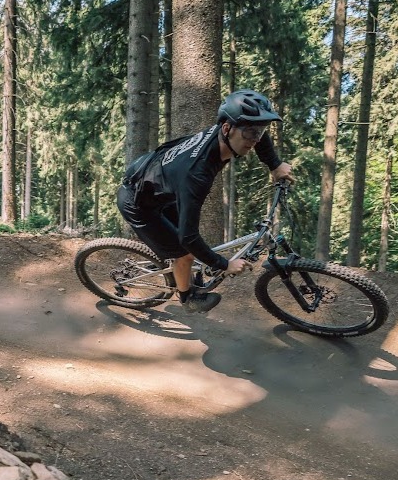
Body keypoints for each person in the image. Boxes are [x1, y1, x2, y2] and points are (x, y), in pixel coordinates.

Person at [117, 89, 294, 313]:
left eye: (259, 133)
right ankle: (187, 297)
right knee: (185, 251)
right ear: (228, 129)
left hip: (158, 184)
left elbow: (256, 132)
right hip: (138, 202)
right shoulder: (196, 175)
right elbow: (188, 238)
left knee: (184, 241)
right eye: (250, 134)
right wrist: (225, 264)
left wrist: (275, 165)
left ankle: (172, 264)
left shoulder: (228, 129)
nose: (255, 140)